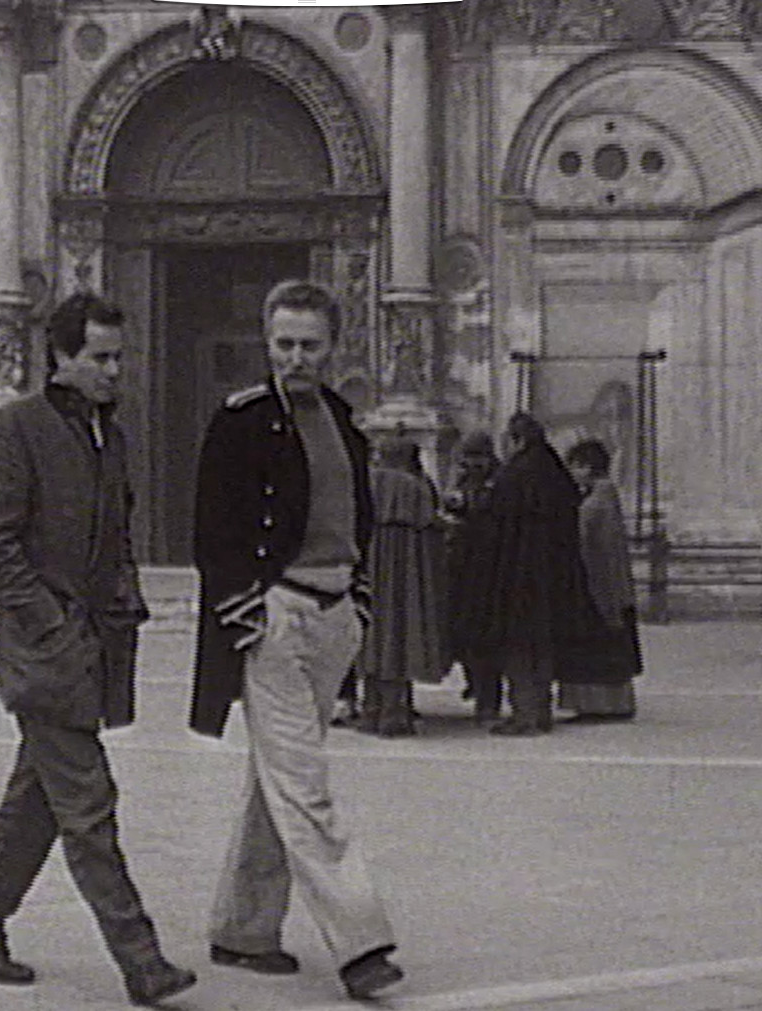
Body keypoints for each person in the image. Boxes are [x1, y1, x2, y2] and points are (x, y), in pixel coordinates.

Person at [0, 291, 196, 1007]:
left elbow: (115, 537)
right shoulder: (13, 430)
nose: (115, 371)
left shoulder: (108, 437)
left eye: (119, 357)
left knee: (38, 799)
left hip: (95, 648)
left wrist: (122, 607)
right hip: (46, 651)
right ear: (61, 355)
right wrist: (52, 625)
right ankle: (141, 960)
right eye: (100, 357)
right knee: (88, 803)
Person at [189, 279, 403, 1001]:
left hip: (335, 615)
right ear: (267, 341)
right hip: (275, 620)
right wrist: (251, 616)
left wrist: (358, 602)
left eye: (310, 344)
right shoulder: (241, 421)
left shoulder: (342, 419)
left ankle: (243, 928)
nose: (295, 357)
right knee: (305, 786)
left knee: (278, 780)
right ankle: (361, 943)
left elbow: (359, 518)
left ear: (332, 345)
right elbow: (213, 533)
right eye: (283, 343)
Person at [462, 413, 602, 736]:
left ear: (518, 440)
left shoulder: (514, 476)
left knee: (518, 644)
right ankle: (541, 710)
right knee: (544, 644)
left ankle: (524, 714)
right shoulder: (556, 472)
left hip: (517, 576)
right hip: (555, 575)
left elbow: (494, 526)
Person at [354, 437, 447, 736]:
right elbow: (432, 525)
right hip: (407, 573)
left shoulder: (366, 482)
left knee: (373, 635)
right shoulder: (416, 487)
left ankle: (370, 709)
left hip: (371, 568)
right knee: (401, 634)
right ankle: (395, 713)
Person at [559, 439, 643, 720]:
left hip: (597, 586)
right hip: (614, 586)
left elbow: (587, 548)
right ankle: (615, 703)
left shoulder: (593, 505)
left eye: (574, 466)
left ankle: (596, 704)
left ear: (586, 467)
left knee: (594, 649)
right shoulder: (607, 499)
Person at [442, 429, 503, 723]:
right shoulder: (464, 479)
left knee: (486, 636)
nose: (472, 464)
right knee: (464, 631)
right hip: (462, 567)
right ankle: (474, 682)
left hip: (489, 568)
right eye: (468, 458)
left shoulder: (498, 482)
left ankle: (488, 698)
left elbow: (490, 515)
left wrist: (467, 508)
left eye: (477, 457)